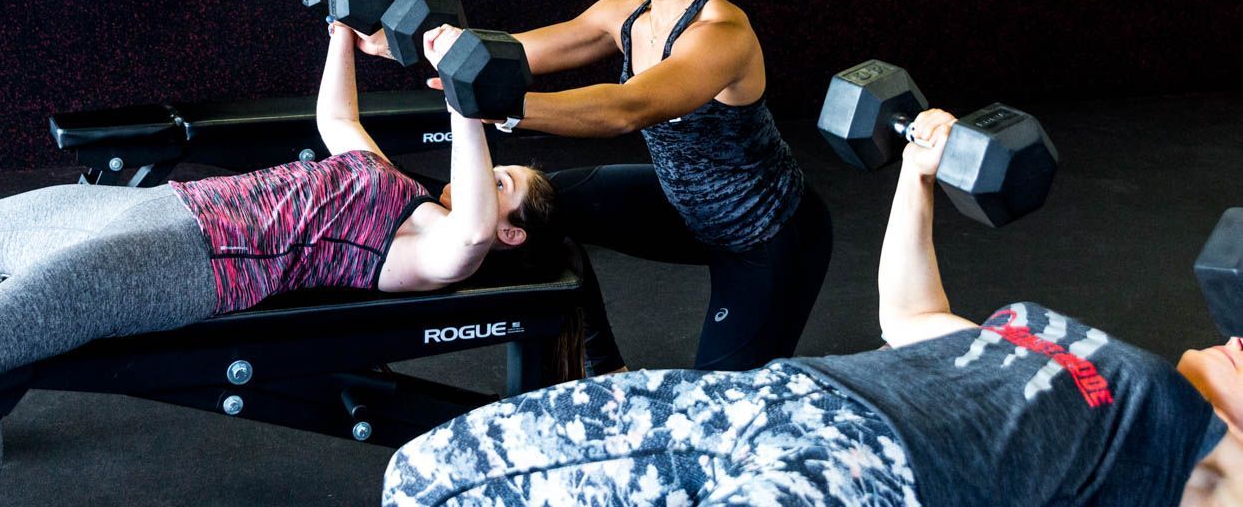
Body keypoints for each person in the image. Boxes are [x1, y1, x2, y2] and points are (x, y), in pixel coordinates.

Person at [0, 21, 558, 507]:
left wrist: (468, 107)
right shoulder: (392, 181)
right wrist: (340, 29)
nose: (487, 176)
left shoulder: (438, 248)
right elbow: (338, 122)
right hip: (165, 206)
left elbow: (469, 237)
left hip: (184, 259)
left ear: (513, 234)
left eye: (504, 183)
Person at [383, 109, 1243, 506]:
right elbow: (910, 317)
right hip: (777, 396)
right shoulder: (1077, 344)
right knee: (421, 478)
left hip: (872, 474)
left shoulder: (1193, 449)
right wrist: (918, 174)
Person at [424, 0, 831, 374]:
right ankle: (603, 366)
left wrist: (502, 107)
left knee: (721, 407)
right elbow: (513, 53)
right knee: (545, 207)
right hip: (681, 205)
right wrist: (424, 40)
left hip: (765, 235)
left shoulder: (721, 34)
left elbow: (626, 109)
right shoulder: (626, 12)